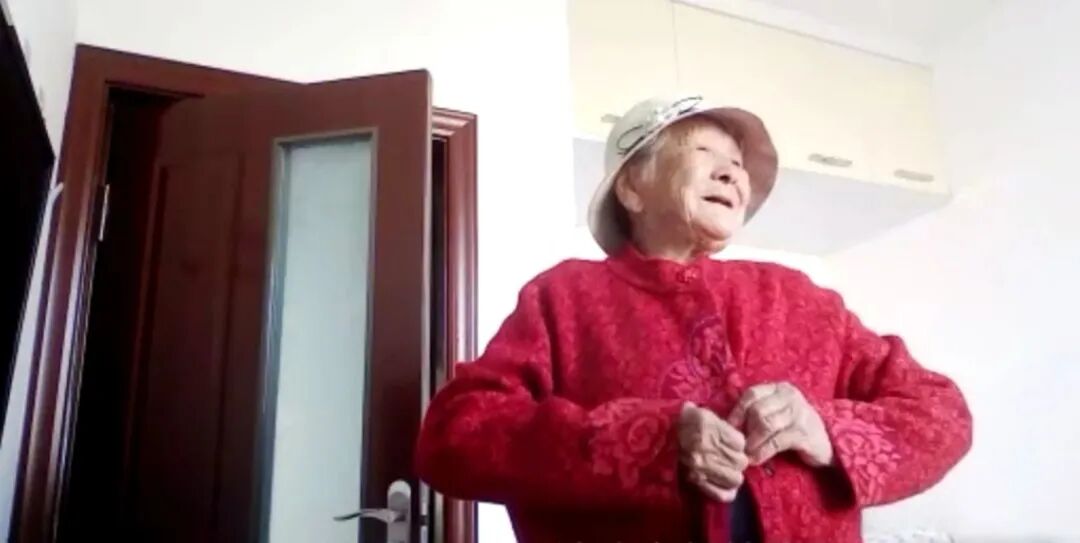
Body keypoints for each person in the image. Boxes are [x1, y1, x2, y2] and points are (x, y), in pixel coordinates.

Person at [414, 95, 973, 543]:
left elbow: (940, 413)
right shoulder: (562, 297)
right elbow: (454, 437)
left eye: (739, 165)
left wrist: (824, 430)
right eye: (704, 151)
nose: (732, 174)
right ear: (631, 187)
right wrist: (650, 440)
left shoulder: (799, 298)